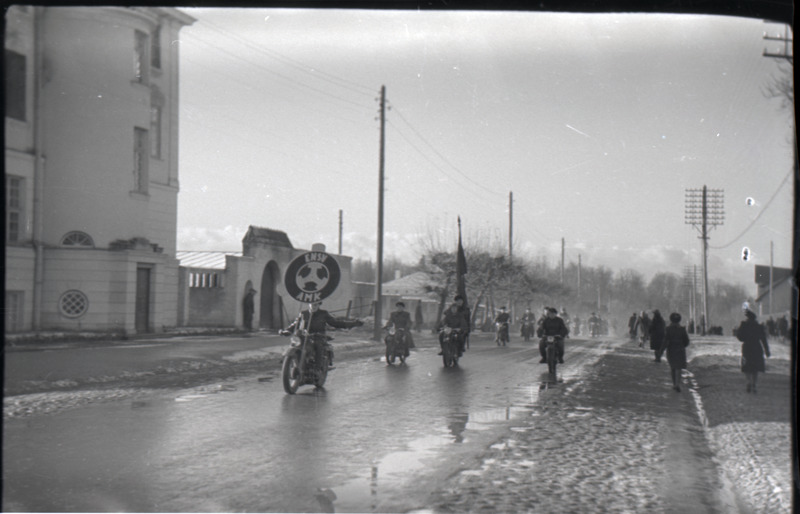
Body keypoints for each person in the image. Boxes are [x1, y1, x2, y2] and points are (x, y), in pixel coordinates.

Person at [280, 301, 363, 371]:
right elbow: (295, 324)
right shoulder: (303, 313)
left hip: (318, 336)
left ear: (319, 305)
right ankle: (288, 361)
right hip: (305, 336)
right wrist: (286, 331)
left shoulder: (323, 313)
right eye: (312, 304)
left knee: (318, 345)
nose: (313, 306)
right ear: (309, 304)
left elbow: (336, 323)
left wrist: (353, 324)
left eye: (315, 304)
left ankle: (318, 367)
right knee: (295, 345)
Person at [736, 309, 771, 393]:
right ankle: (754, 384)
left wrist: (743, 336)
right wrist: (767, 350)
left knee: (747, 366)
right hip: (757, 348)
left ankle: (748, 382)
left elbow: (740, 337)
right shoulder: (759, 326)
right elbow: (763, 339)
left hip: (747, 347)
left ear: (748, 317)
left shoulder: (744, 325)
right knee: (755, 368)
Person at [663, 313, 689, 392]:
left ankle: (674, 383)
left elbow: (665, 340)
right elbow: (686, 341)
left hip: (671, 349)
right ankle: (677, 384)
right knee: (679, 367)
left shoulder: (668, 329)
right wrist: (682, 345)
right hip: (680, 349)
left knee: (673, 366)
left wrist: (662, 349)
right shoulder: (682, 329)